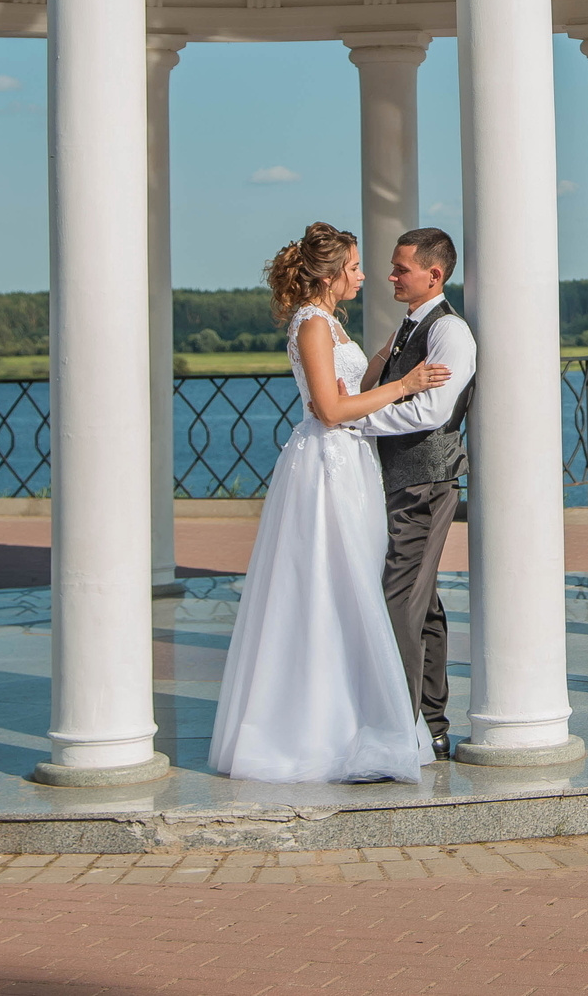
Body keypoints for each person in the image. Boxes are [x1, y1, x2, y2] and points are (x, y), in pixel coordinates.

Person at [208, 222, 450, 784]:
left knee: (356, 584)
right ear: (332, 273)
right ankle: (316, 728)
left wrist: (386, 357)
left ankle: (359, 716)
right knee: (325, 586)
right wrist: (406, 384)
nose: (365, 276)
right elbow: (330, 410)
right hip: (326, 464)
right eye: (357, 267)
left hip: (351, 463)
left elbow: (349, 389)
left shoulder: (332, 326)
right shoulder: (312, 324)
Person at [354, 228, 477, 759]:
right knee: (420, 603)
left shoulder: (451, 333)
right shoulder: (409, 328)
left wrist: (357, 423)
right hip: (401, 481)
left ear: (435, 273)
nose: (391, 276)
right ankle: (430, 722)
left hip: (425, 483)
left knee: (398, 599)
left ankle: (399, 729)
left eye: (401, 269)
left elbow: (432, 412)